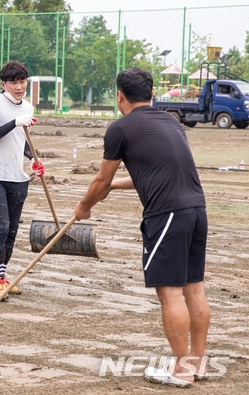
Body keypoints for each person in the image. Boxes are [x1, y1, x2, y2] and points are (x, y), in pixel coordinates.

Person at [74, 68, 209, 389]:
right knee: (194, 289)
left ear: (120, 96)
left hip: (167, 216)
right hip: (196, 210)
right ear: (151, 95)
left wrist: (85, 206)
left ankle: (182, 371)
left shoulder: (119, 129)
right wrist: (113, 188)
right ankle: (196, 363)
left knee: (170, 292)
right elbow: (152, 173)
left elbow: (100, 180)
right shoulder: (171, 122)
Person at [0, 60, 44, 298]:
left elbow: (21, 140)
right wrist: (14, 121)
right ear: (4, 84)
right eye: (13, 82)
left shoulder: (28, 107)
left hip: (18, 177)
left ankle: (2, 277)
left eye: (22, 81)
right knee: (1, 226)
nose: (18, 86)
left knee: (12, 230)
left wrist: (33, 159)